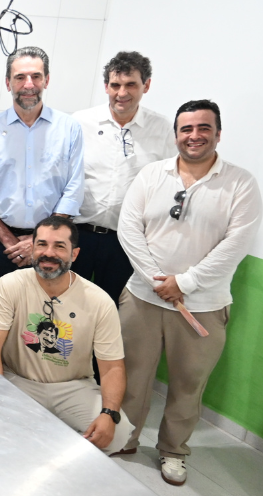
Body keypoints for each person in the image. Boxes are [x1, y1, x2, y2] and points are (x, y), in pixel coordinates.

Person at [116, 100, 262, 485]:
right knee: (131, 375)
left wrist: (185, 283)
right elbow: (128, 229)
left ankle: (174, 452)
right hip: (142, 299)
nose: (194, 136)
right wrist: (156, 279)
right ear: (176, 133)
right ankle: (124, 438)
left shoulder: (240, 183)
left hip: (203, 306)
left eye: (203, 128)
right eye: (186, 129)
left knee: (187, 384)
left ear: (217, 133)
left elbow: (236, 244)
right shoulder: (151, 174)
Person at [0, 216, 133, 455]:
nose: (48, 253)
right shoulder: (10, 284)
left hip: (72, 387)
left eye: (59, 246)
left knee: (116, 433)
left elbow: (112, 367)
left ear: (75, 254)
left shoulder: (99, 301)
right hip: (17, 381)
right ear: (32, 249)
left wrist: (109, 413)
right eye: (41, 244)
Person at [0, 46, 84, 277]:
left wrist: (38, 241)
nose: (28, 84)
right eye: (20, 77)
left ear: (46, 80)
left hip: (51, 243)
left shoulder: (69, 129)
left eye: (36, 76)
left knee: (44, 311)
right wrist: (10, 240)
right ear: (8, 83)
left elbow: (74, 190)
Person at [70, 52, 175, 304]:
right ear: (106, 86)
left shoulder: (162, 130)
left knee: (112, 311)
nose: (122, 93)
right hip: (79, 235)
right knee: (67, 308)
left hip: (127, 243)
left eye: (131, 85)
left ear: (146, 85)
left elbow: (170, 187)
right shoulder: (79, 122)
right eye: (115, 85)